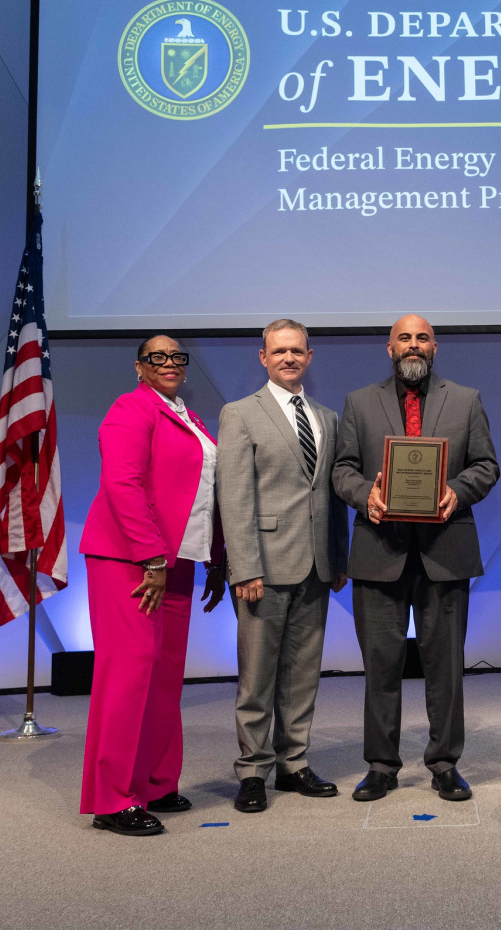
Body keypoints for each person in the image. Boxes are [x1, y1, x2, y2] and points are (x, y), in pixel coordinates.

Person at [332, 314, 499, 802]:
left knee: (445, 669)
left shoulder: (466, 399)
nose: (413, 344)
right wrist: (366, 495)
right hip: (378, 551)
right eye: (403, 337)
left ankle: (445, 763)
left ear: (435, 347)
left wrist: (457, 491)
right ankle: (381, 765)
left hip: (445, 552)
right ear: (389, 348)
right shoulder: (359, 402)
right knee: (380, 667)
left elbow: (486, 465)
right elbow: (342, 469)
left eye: (422, 338)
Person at [79, 335, 226, 836]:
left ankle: (156, 783)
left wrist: (215, 556)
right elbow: (123, 484)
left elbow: (202, 494)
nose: (168, 363)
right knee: (127, 676)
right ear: (139, 367)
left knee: (163, 677)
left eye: (176, 356)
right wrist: (151, 558)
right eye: (156, 357)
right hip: (131, 561)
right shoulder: (130, 409)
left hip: (177, 561)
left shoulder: (188, 416)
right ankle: (112, 799)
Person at [216, 319, 349, 814]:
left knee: (302, 674)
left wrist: (338, 556)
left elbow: (332, 496)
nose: (289, 358)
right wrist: (244, 567)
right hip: (263, 568)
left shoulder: (327, 417)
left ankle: (294, 764)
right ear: (263, 357)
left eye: (297, 351)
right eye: (279, 351)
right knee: (257, 677)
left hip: (316, 565)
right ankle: (253, 770)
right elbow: (233, 496)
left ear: (309, 357)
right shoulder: (239, 413)